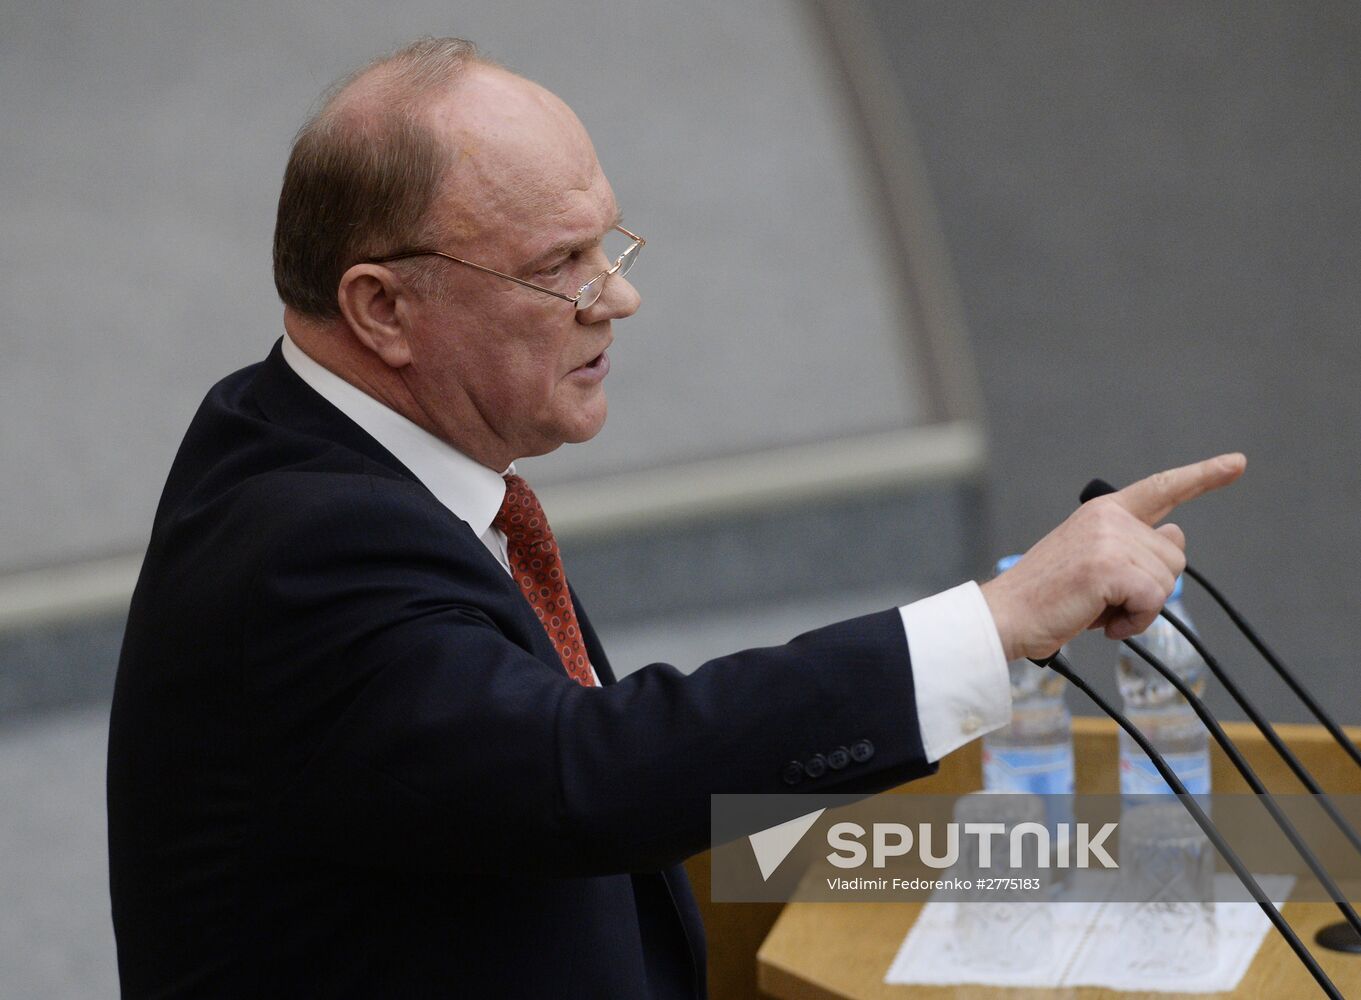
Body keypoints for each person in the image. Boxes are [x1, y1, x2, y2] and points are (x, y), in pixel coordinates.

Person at [105, 37, 1245, 998]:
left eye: (607, 242)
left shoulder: (309, 435)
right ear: (382, 308)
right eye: (560, 265)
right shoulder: (304, 552)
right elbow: (582, 776)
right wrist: (998, 619)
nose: (618, 294)